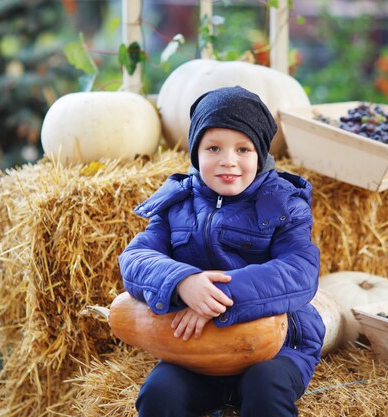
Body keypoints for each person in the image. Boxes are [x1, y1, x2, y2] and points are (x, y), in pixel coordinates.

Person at [118, 86, 325, 417]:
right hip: (198, 349)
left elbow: (299, 272)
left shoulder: (284, 204)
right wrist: (183, 282)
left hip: (277, 347)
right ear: (195, 152)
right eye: (214, 147)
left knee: (265, 388)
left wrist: (215, 297)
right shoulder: (176, 204)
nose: (229, 161)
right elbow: (135, 259)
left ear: (260, 155)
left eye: (243, 149)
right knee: (159, 395)